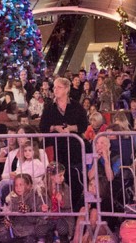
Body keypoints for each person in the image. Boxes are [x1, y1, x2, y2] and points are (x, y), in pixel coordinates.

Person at [39, 77, 88, 211]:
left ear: (67, 89)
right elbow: (42, 126)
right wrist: (55, 128)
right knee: (57, 178)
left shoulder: (76, 106)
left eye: (58, 87)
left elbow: (84, 124)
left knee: (74, 178)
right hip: (56, 148)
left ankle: (75, 208)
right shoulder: (49, 107)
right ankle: (58, 209)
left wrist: (71, 129)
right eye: (54, 87)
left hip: (74, 148)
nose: (55, 90)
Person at [0, 174, 45, 243]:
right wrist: (8, 221)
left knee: (29, 240)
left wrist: (28, 211)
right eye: (16, 185)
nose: (18, 188)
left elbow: (37, 220)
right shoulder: (13, 199)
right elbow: (13, 218)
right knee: (1, 237)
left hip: (31, 230)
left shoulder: (35, 198)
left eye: (21, 185)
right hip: (16, 230)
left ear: (29, 185)